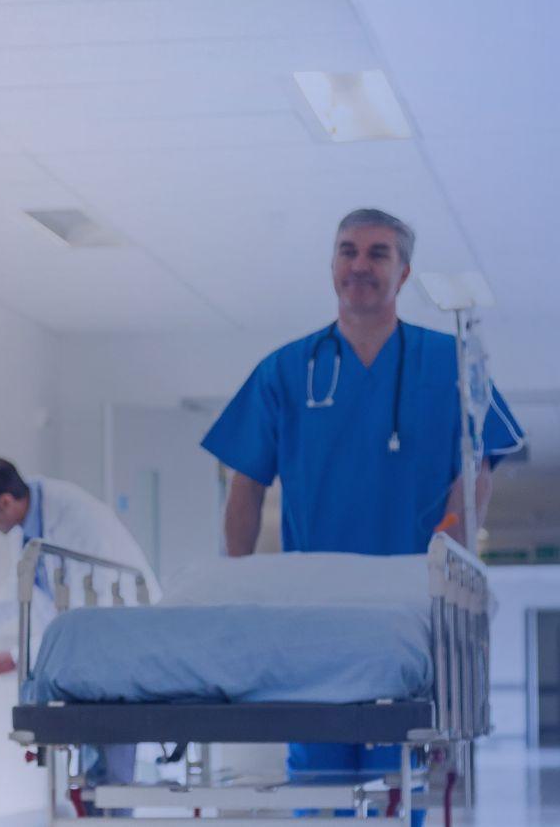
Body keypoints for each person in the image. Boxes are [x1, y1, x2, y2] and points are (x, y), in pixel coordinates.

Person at [202, 207, 521, 811]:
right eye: (348, 251)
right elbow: (245, 487)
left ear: (403, 274)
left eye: (378, 253)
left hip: (408, 608)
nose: (360, 264)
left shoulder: (450, 363)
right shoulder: (287, 370)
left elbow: (477, 468)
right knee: (318, 787)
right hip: (314, 613)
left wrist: (447, 546)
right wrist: (235, 581)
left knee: (401, 780)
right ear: (331, 267)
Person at [0, 457, 157, 797]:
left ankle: (111, 816)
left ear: (4, 502)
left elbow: (82, 617)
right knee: (93, 774)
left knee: (110, 767)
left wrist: (19, 657)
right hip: (89, 647)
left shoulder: (75, 520)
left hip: (117, 643)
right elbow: (22, 581)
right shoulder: (29, 520)